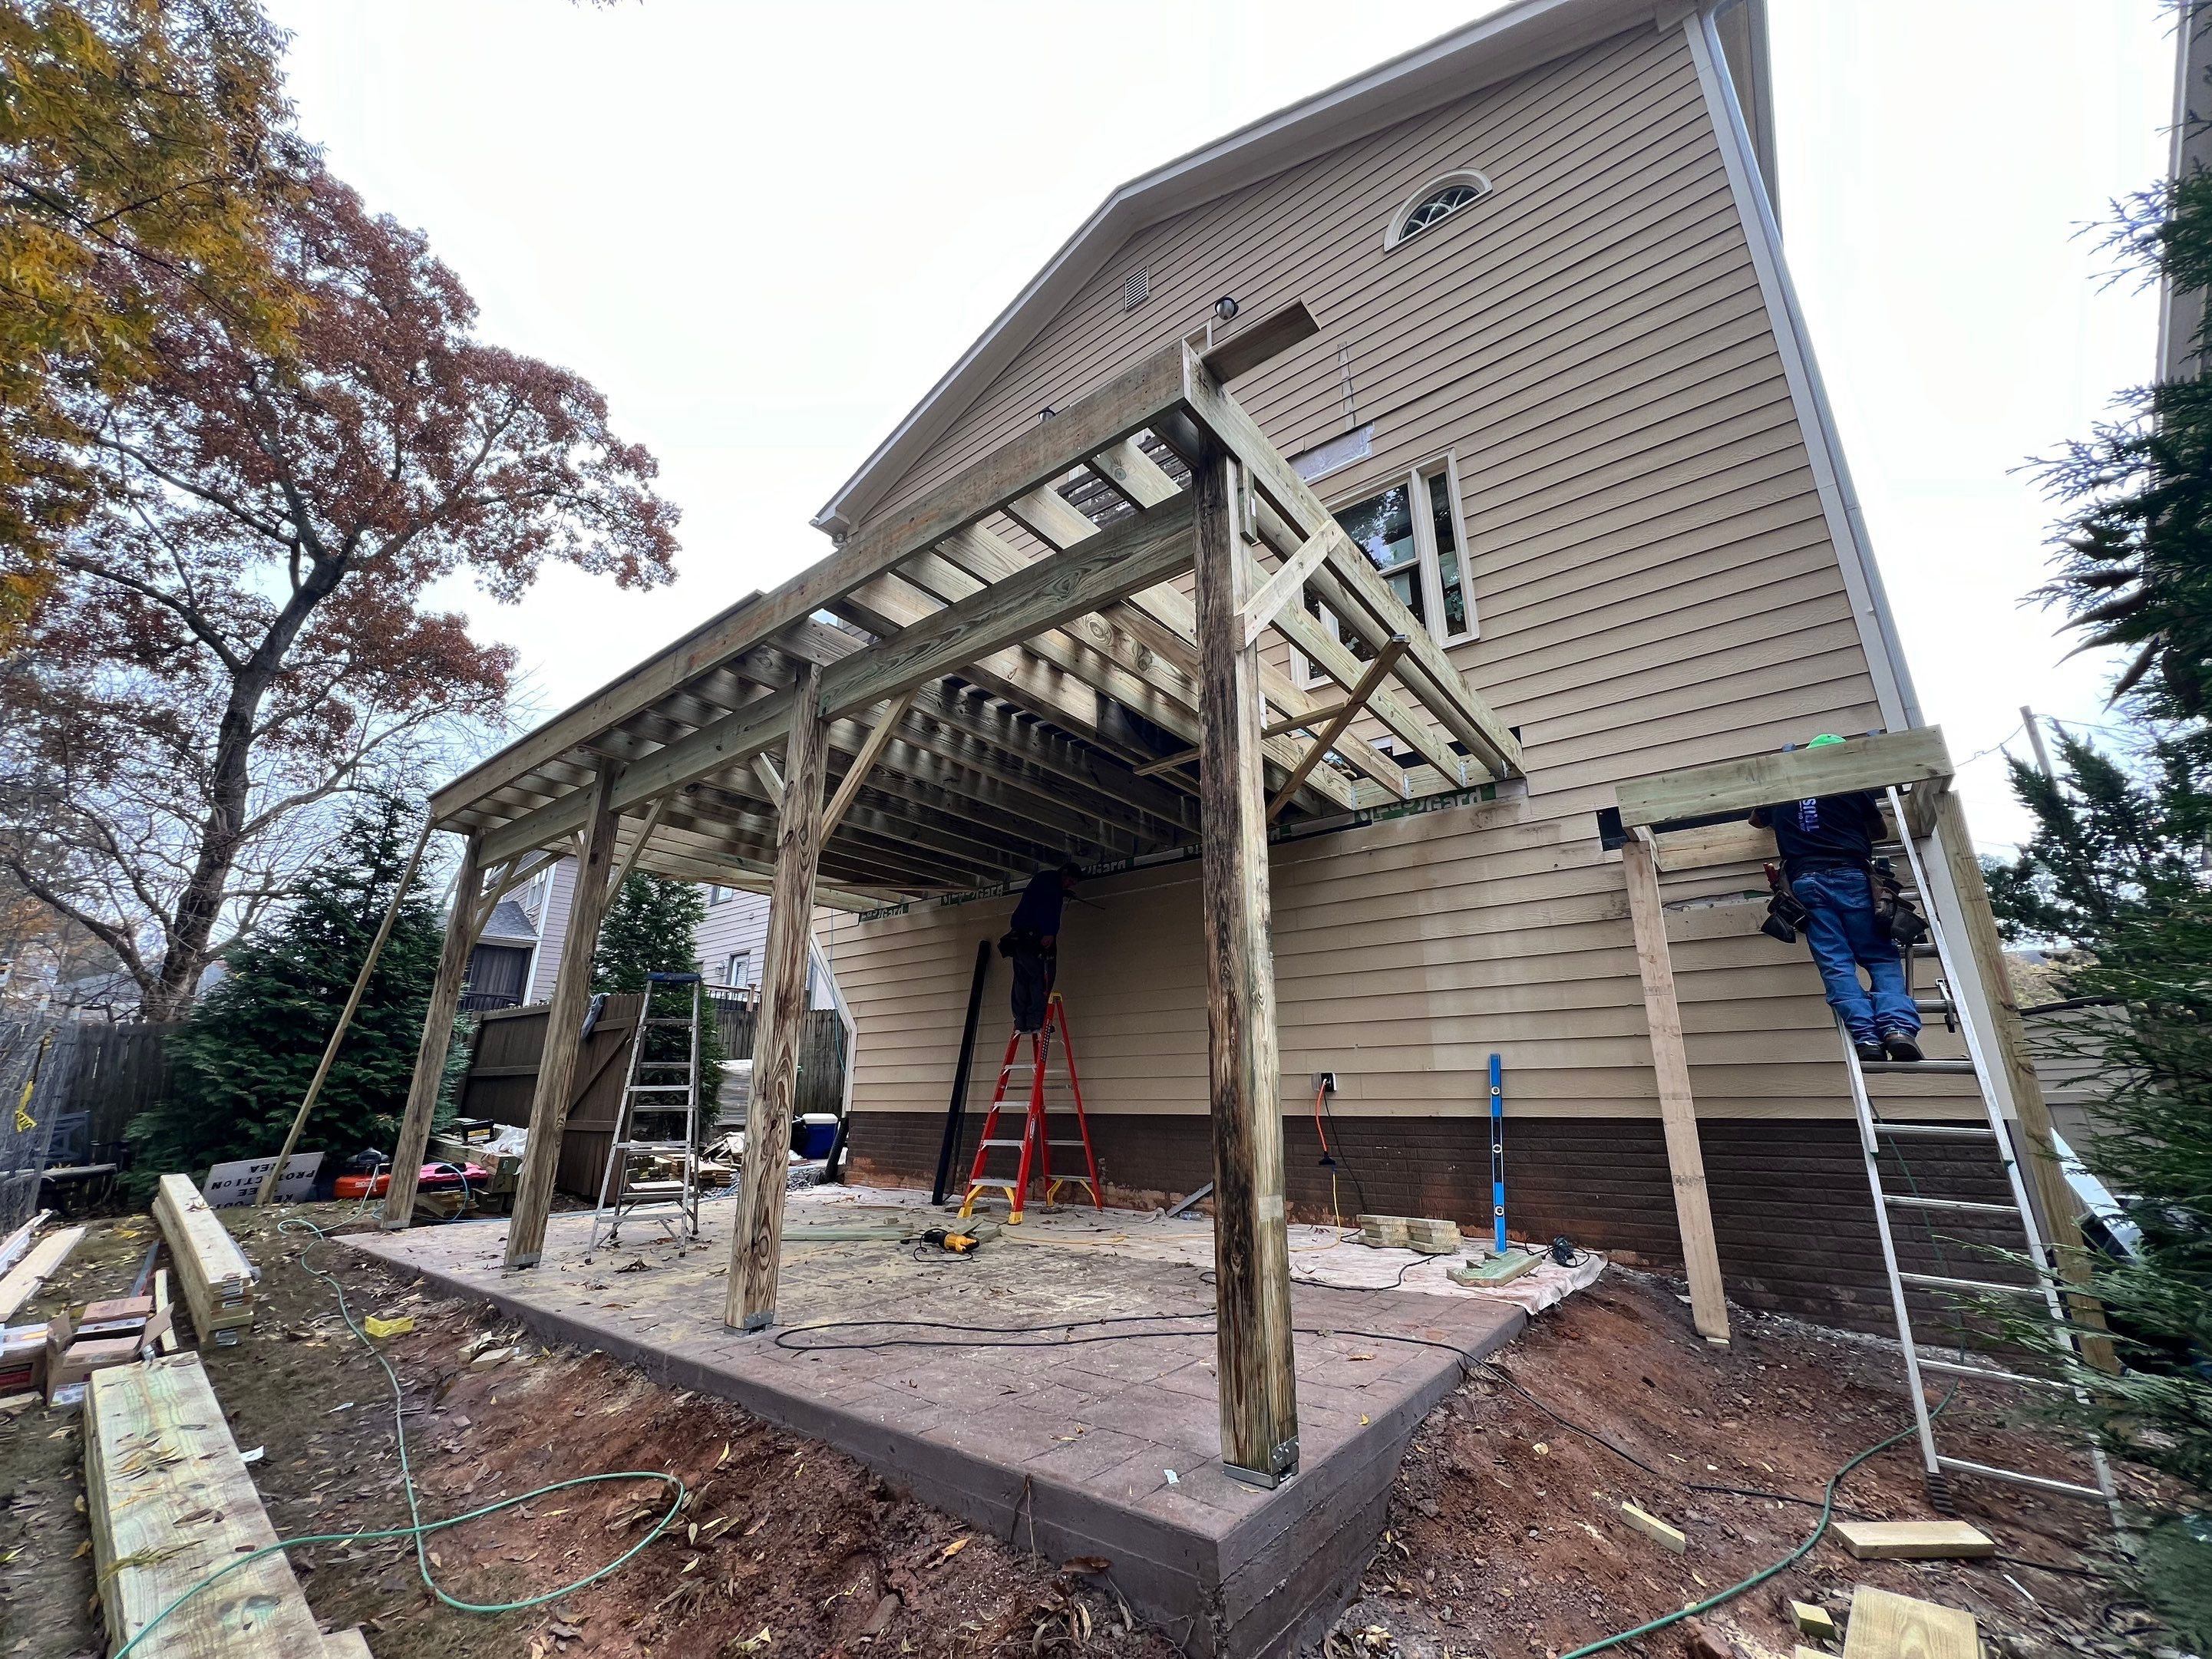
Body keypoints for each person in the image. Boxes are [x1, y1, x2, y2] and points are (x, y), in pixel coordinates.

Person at [1749, 736, 1923, 1065]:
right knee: (1879, 957)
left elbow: (1757, 820)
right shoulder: (1851, 785)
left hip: (1805, 883)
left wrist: (1781, 792)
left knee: (1836, 963)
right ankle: (1897, 1029)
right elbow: (1879, 832)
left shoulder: (1784, 789)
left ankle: (1867, 1038)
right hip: (1851, 878)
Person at [1004, 864, 1080, 1032]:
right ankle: (1036, 1020)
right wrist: (1049, 933)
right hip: (1034, 938)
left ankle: (1021, 1021)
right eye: (1070, 881)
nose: (1070, 885)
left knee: (1022, 978)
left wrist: (1062, 892)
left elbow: (1037, 901)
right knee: (1042, 976)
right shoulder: (1053, 887)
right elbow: (1049, 909)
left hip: (1019, 938)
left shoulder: (1043, 879)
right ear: (1064, 874)